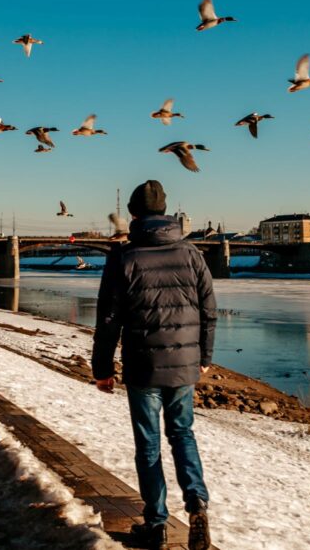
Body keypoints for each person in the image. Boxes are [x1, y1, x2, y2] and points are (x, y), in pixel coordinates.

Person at [92, 180, 216, 550]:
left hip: (143, 364)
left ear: (133, 214)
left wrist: (102, 368)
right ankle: (197, 506)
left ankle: (157, 524)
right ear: (166, 212)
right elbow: (209, 311)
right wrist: (204, 357)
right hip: (184, 364)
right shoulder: (192, 254)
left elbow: (109, 319)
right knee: (183, 434)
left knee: (148, 444)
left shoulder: (124, 258)